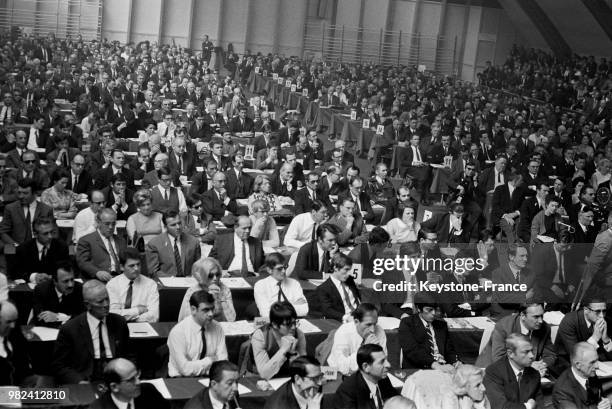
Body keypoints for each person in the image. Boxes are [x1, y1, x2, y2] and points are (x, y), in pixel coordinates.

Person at [51, 280, 131, 384]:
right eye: (100, 302)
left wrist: (127, 375)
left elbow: (129, 354)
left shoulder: (119, 322)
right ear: (87, 305)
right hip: (87, 379)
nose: (106, 304)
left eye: (107, 299)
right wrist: (78, 381)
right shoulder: (70, 329)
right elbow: (59, 365)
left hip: (116, 377)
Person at [475, 303, 556, 374]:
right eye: (536, 317)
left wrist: (542, 366)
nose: (541, 321)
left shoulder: (544, 328)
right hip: (494, 370)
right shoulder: (503, 326)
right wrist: (529, 365)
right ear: (523, 316)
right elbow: (499, 358)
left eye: (542, 315)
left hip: (528, 374)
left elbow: (550, 355)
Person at [167, 290, 228, 377]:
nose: (211, 314)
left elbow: (223, 364)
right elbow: (185, 370)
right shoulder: (178, 332)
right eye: (206, 310)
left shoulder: (218, 328)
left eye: (212, 309)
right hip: (181, 380)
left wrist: (195, 366)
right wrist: (210, 360)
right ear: (193, 310)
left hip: (210, 377)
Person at [398, 292, 458, 371]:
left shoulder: (441, 325)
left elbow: (449, 350)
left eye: (435, 309)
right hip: (419, 369)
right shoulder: (407, 323)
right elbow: (413, 351)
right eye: (429, 310)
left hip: (442, 367)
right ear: (418, 308)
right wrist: (434, 364)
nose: (433, 313)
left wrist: (455, 362)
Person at [250, 301, 307, 379]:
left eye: (294, 322)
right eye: (288, 324)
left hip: (287, 376)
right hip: (257, 378)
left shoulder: (299, 334)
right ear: (275, 325)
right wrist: (283, 350)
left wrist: (293, 354)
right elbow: (264, 374)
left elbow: (304, 368)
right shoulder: (260, 336)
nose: (293, 327)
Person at [483, 333, 541, 409]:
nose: (532, 356)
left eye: (531, 351)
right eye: (526, 352)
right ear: (510, 353)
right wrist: (528, 406)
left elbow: (540, 404)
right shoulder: (494, 372)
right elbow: (500, 407)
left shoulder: (534, 374)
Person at [333, 343, 399, 409]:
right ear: (366, 367)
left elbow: (398, 402)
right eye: (382, 362)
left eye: (386, 360)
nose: (388, 365)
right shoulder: (347, 391)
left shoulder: (383, 379)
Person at [327, 303, 387, 375]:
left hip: (364, 371)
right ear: (356, 322)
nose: (373, 330)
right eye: (368, 324)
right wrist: (364, 349)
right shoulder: (343, 332)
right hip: (334, 371)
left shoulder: (379, 331)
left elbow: (383, 362)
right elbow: (343, 368)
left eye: (375, 324)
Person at [88, 358, 170, 409]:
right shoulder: (98, 407)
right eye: (131, 380)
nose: (138, 382)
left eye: (137, 376)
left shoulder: (149, 391)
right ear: (114, 387)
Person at [555, 296, 612, 369]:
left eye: (604, 311)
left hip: (597, 364)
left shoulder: (607, 321)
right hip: (568, 364)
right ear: (586, 310)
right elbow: (577, 356)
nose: (602, 316)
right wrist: (595, 338)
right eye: (597, 311)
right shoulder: (569, 321)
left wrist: (606, 339)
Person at [106, 247, 159, 322]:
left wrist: (132, 319)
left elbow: (154, 315)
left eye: (138, 264)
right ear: (121, 267)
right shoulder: (112, 284)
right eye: (132, 266)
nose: (136, 268)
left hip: (143, 327)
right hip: (117, 327)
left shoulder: (151, 284)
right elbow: (112, 314)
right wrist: (138, 310)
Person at [552, 342, 611, 409]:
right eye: (592, 362)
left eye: (597, 360)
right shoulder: (562, 391)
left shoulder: (590, 374)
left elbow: (599, 399)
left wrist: (605, 403)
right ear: (578, 365)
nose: (597, 366)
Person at [76, 208, 128, 282]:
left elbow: (125, 260)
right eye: (107, 224)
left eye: (113, 224)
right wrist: (97, 272)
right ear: (98, 222)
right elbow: (82, 262)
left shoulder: (121, 240)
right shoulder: (86, 240)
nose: (111, 227)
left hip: (119, 278)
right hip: (97, 280)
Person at [145, 210, 201, 278]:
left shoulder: (194, 242)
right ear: (165, 227)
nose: (178, 227)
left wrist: (192, 276)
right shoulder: (154, 244)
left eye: (179, 223)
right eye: (173, 225)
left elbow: (198, 267)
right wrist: (170, 279)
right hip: (165, 284)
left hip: (188, 283)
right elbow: (153, 271)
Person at [178, 257, 236, 322]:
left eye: (217, 274)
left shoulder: (224, 289)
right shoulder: (192, 291)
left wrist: (220, 299)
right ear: (202, 276)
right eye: (210, 275)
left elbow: (232, 319)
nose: (215, 278)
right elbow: (187, 319)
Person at [14, 216, 69, 282]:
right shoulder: (23, 249)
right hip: (29, 289)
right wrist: (34, 276)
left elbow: (66, 269)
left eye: (52, 232)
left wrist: (52, 276)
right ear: (35, 234)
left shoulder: (61, 247)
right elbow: (16, 272)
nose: (50, 236)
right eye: (45, 234)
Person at [0, 178, 54, 246]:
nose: (21, 196)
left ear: (34, 193)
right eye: (19, 192)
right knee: (8, 252)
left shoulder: (46, 210)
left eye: (25, 193)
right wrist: (14, 245)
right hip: (16, 246)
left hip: (39, 247)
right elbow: (2, 231)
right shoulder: (10, 208)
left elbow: (53, 232)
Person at [255, 253, 309, 318]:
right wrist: (293, 306)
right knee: (258, 323)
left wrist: (275, 309)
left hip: (291, 320)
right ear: (269, 270)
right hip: (267, 322)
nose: (284, 271)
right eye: (279, 269)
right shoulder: (260, 285)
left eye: (285, 267)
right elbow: (266, 314)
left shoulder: (294, 283)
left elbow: (305, 310)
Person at [31, 263, 84, 327]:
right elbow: (40, 318)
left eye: (72, 280)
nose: (71, 285)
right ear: (55, 281)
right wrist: (67, 318)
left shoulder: (80, 289)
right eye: (66, 281)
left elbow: (82, 317)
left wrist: (58, 317)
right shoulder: (41, 290)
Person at [314, 253, 361, 321]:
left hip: (359, 316)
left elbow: (357, 299)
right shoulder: (323, 289)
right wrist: (346, 317)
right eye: (346, 269)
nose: (348, 274)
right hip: (342, 320)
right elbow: (327, 310)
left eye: (349, 270)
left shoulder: (350, 279)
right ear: (335, 268)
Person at [0, 300, 36, 386]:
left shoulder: (16, 337)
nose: (13, 326)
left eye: (14, 321)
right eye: (8, 322)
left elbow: (24, 369)